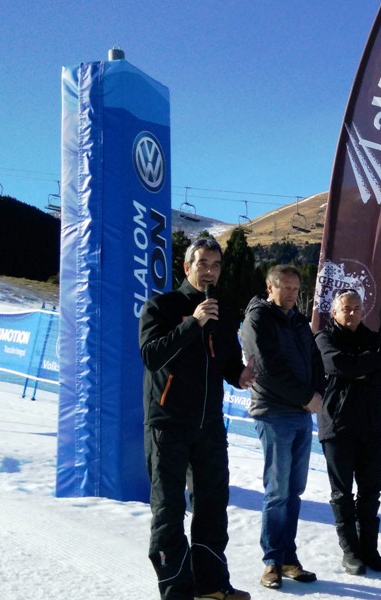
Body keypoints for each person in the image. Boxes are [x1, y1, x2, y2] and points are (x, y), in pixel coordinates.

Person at [139, 237, 255, 600]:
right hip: (168, 423)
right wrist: (192, 323)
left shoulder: (223, 312)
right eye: (202, 263)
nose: (209, 271)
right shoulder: (162, 306)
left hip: (208, 426)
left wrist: (240, 375)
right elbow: (151, 356)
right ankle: (176, 591)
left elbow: (225, 360)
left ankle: (212, 585)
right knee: (169, 511)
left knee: (212, 506)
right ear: (186, 267)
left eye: (216, 265)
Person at [241, 264, 325, 590]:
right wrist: (307, 396)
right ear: (270, 287)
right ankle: (271, 562)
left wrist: (317, 395)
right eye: (285, 287)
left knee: (294, 491)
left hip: (302, 413)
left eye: (295, 288)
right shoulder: (258, 319)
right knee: (277, 492)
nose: (291, 294)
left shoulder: (300, 322)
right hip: (275, 412)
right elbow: (267, 368)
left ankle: (289, 558)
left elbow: (316, 361)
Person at [314, 289, 381, 576]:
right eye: (346, 308)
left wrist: (359, 369)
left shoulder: (374, 338)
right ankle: (350, 552)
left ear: (363, 311)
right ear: (335, 312)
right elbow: (338, 364)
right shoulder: (324, 338)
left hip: (372, 427)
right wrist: (368, 365)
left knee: (371, 490)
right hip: (337, 427)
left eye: (356, 308)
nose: (351, 313)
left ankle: (369, 549)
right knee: (342, 493)